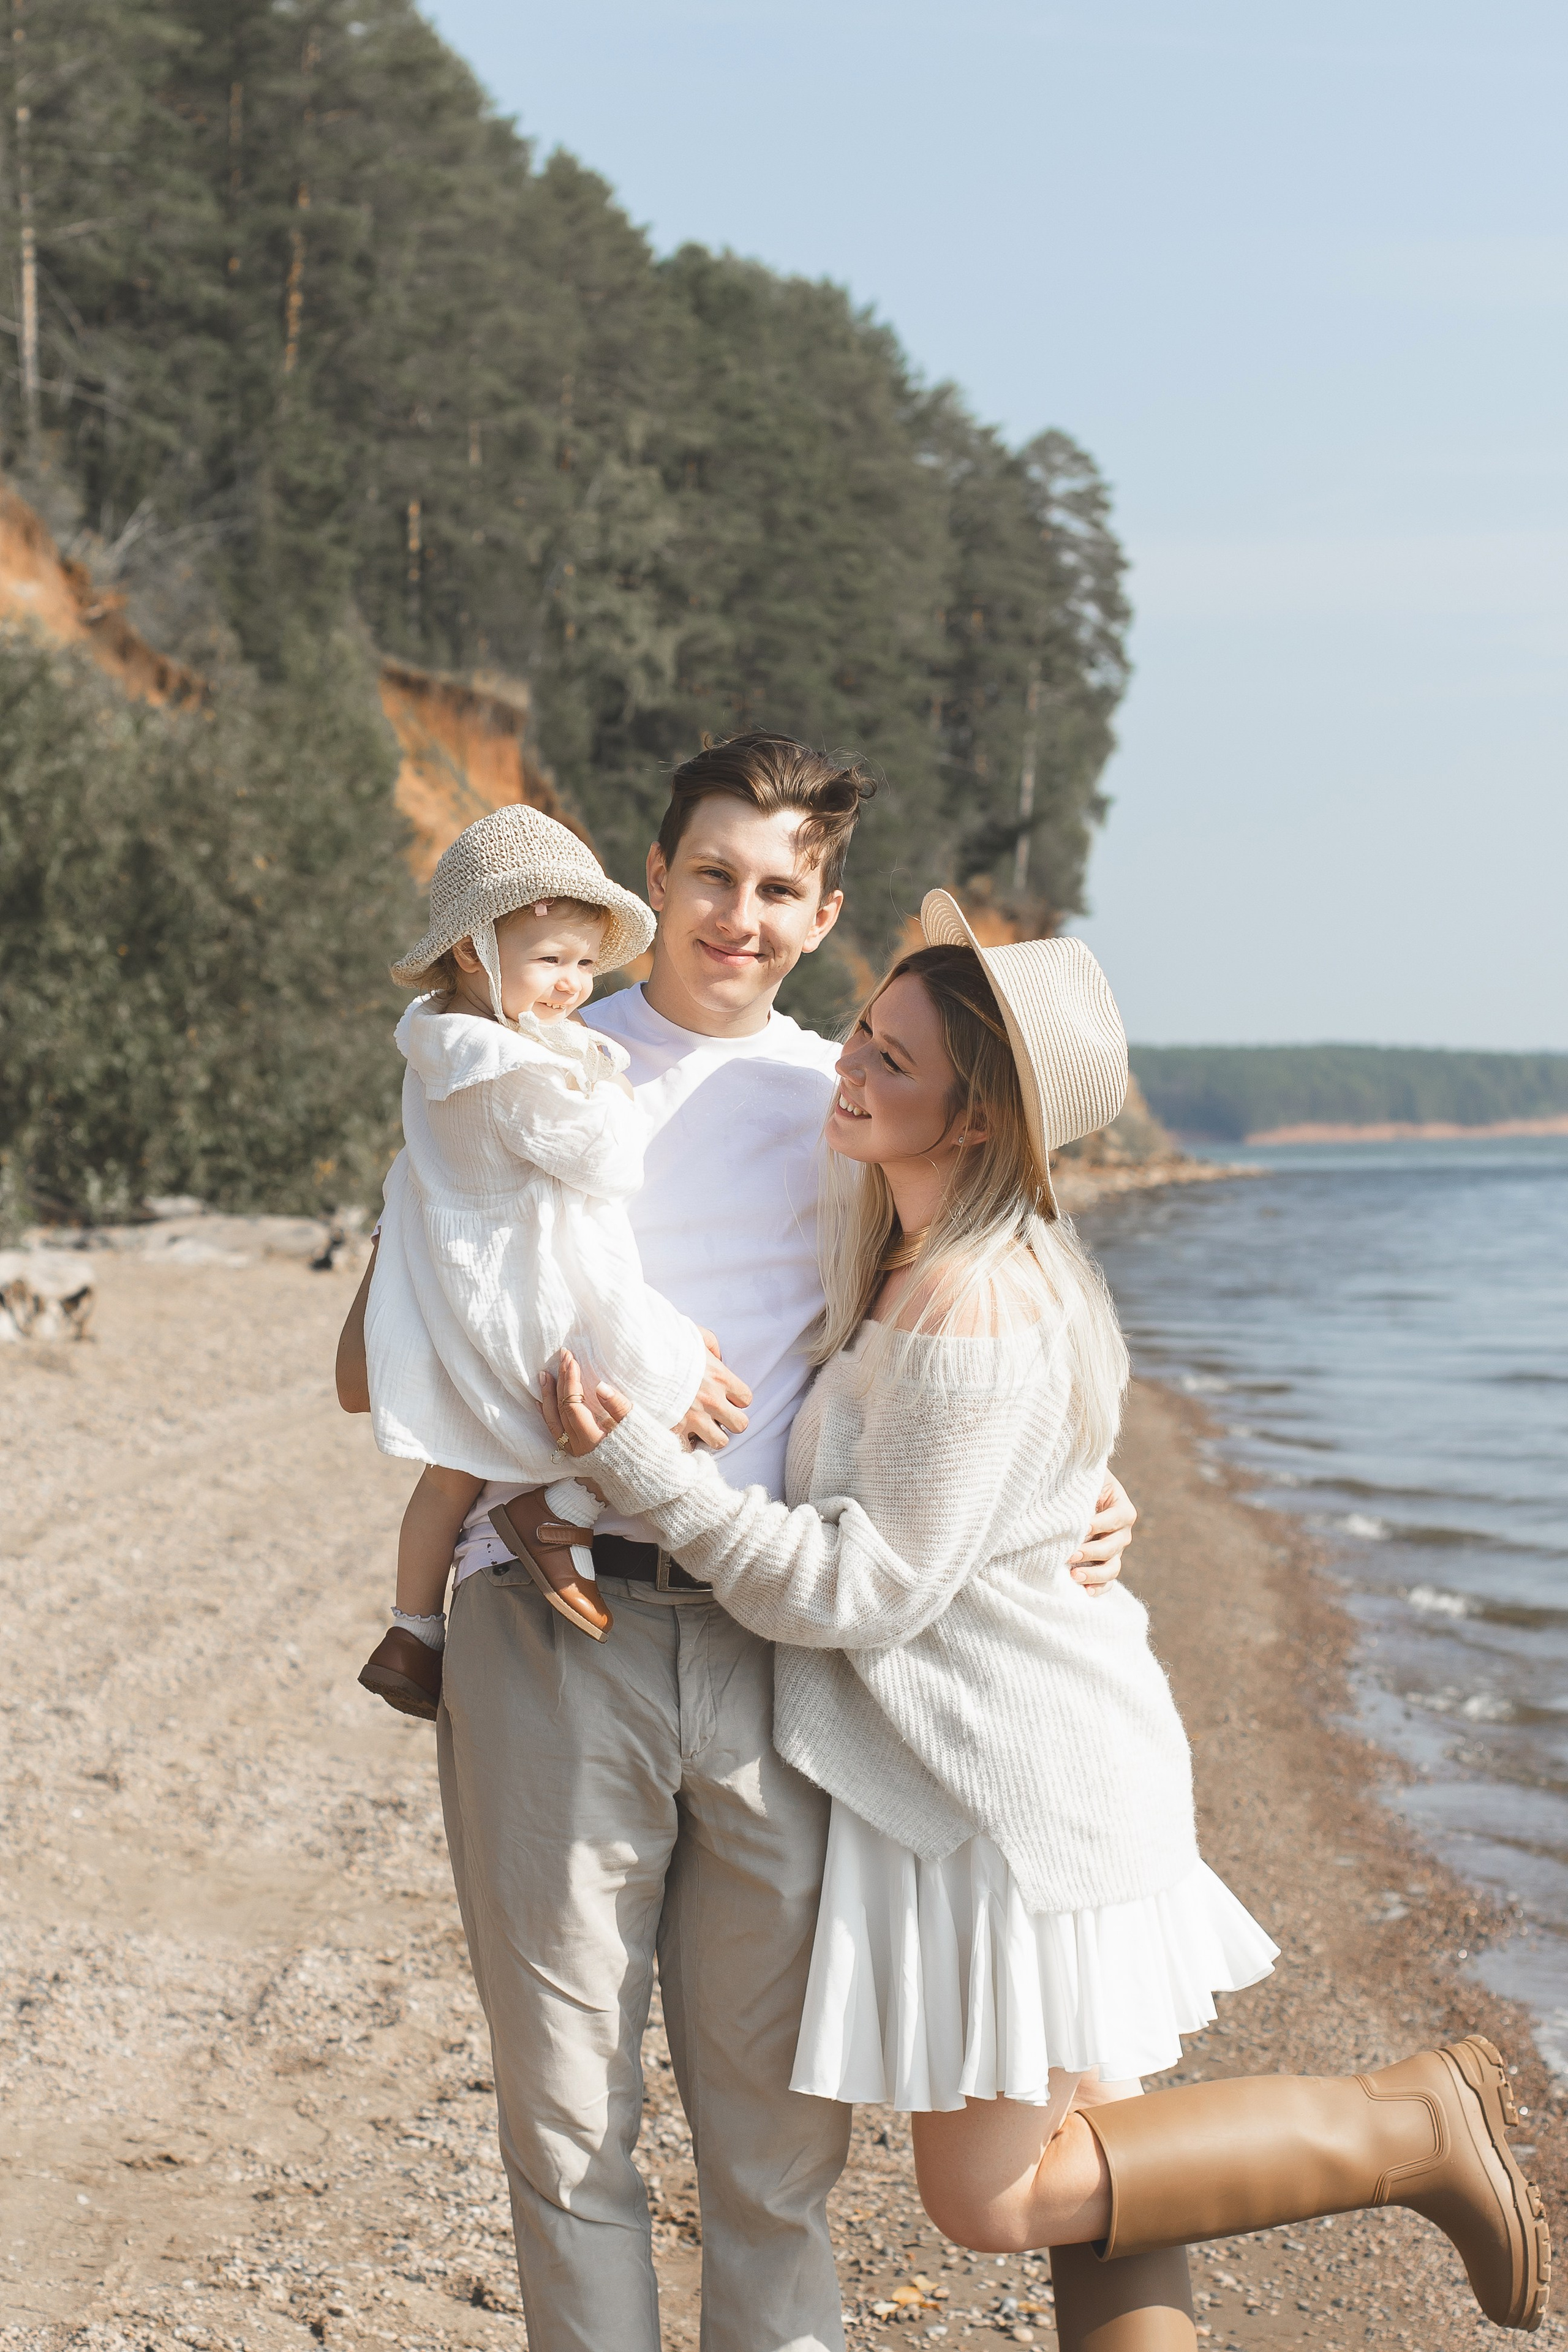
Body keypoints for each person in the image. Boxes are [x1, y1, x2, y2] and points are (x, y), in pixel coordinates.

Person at [537, 895, 1551, 2348]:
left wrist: (643, 1470)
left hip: (1005, 1802)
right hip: (1012, 1761)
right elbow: (994, 1490)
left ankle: (1405, 2125)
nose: (846, 1068)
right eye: (862, 1034)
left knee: (998, 2197)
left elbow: (855, 1591)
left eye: (890, 1061)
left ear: (974, 1121)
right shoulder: (921, 1254)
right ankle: (1400, 2129)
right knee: (1109, 2169)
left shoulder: (966, 1303)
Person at [335, 733, 1139, 2352]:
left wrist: (1085, 1488)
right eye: (711, 874)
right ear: (651, 879)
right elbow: (381, 1356)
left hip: (788, 1660)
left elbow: (986, 1321)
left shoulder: (850, 1100)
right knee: (567, 2125)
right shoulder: (529, 1059)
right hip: (555, 1634)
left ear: (824, 912)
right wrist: (518, 1477)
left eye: (780, 888)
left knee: (776, 2152)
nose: (739, 915)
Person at [356, 802, 710, 1717]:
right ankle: (560, 1514)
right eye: (553, 961)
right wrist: (608, 1082)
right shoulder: (504, 1066)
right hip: (523, 1289)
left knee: (452, 1468)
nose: (574, 987)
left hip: (465, 1275)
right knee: (654, 1388)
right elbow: (607, 1159)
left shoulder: (439, 1041)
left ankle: (411, 1628)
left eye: (587, 966)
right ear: (473, 951)